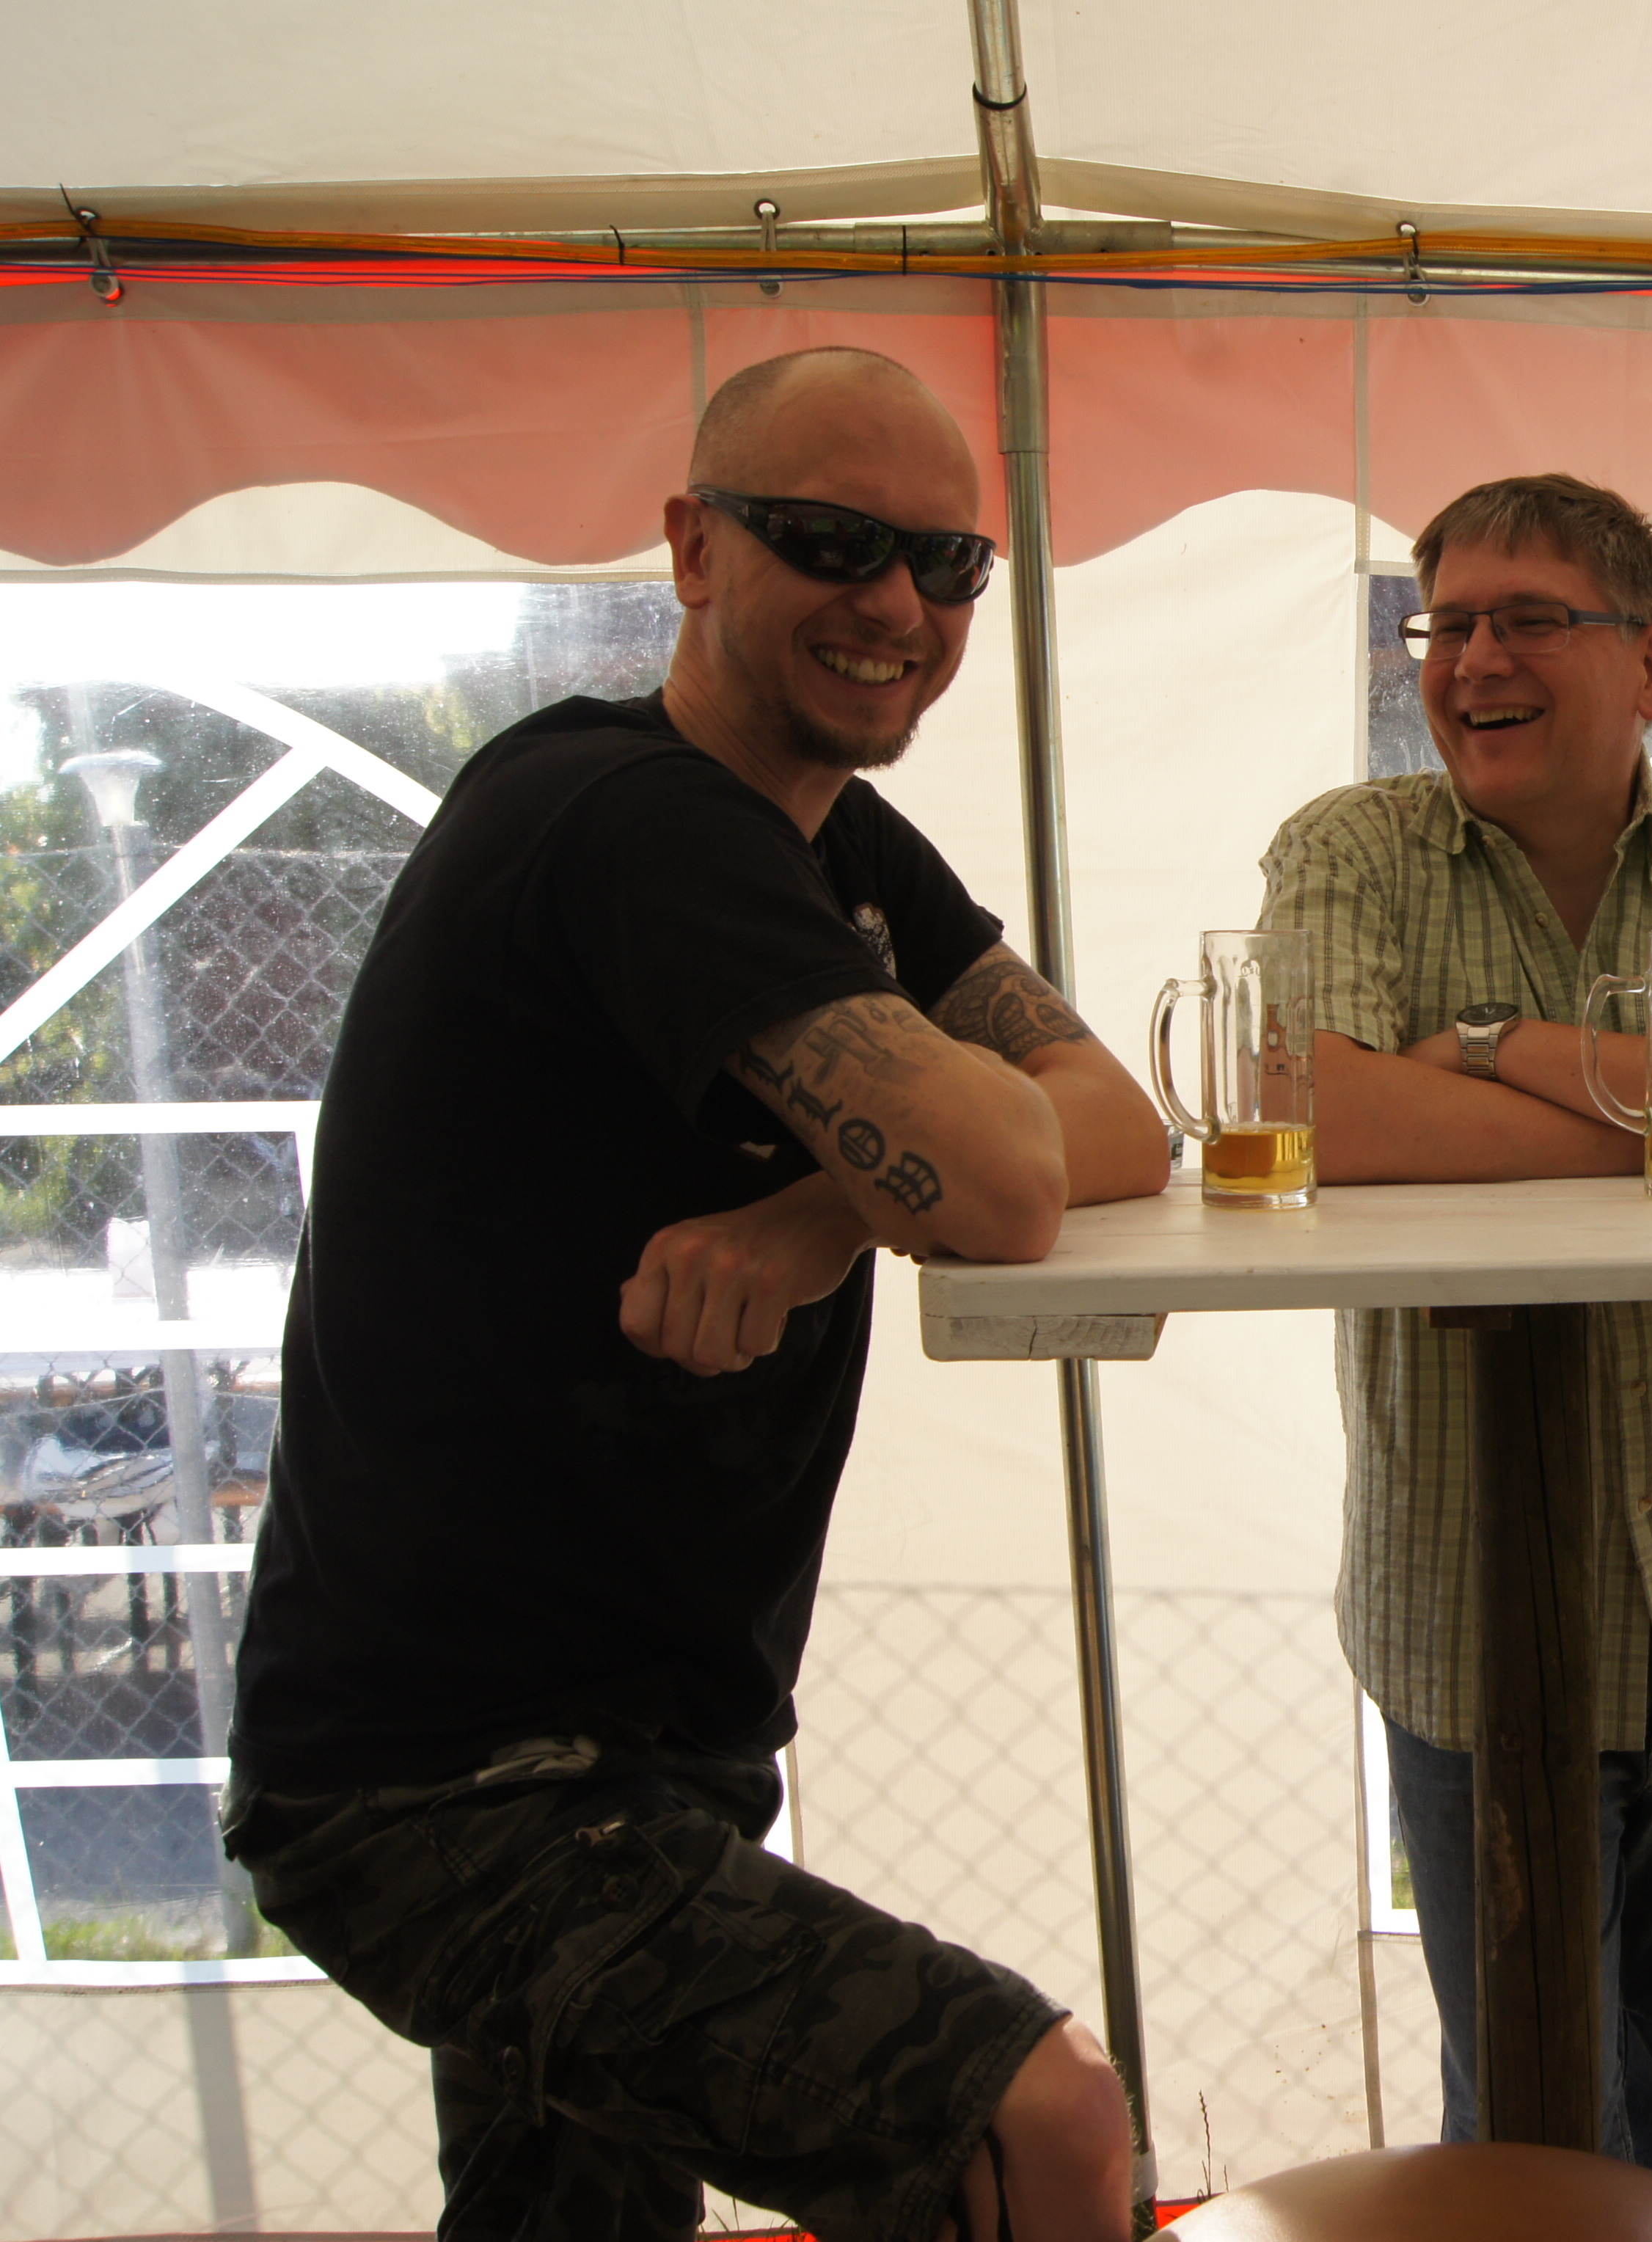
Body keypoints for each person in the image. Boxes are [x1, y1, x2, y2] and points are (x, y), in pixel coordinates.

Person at [223, 346, 1171, 2242]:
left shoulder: (833, 844)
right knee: (1043, 2125)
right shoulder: (630, 817)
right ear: (692, 548)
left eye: (947, 562)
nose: (894, 603)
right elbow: (1002, 1181)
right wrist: (911, 1164)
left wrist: (816, 1212)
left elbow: (1117, 1120)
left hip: (636, 1755)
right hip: (457, 1791)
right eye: (829, 541)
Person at [1254, 473, 1652, 2222]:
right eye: (1446, 624)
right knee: (1529, 2142)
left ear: (1651, 663)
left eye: (1528, 619)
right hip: (1472, 1615)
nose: (1472, 662)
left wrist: (1490, 1046)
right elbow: (1303, 1109)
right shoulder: (1350, 848)